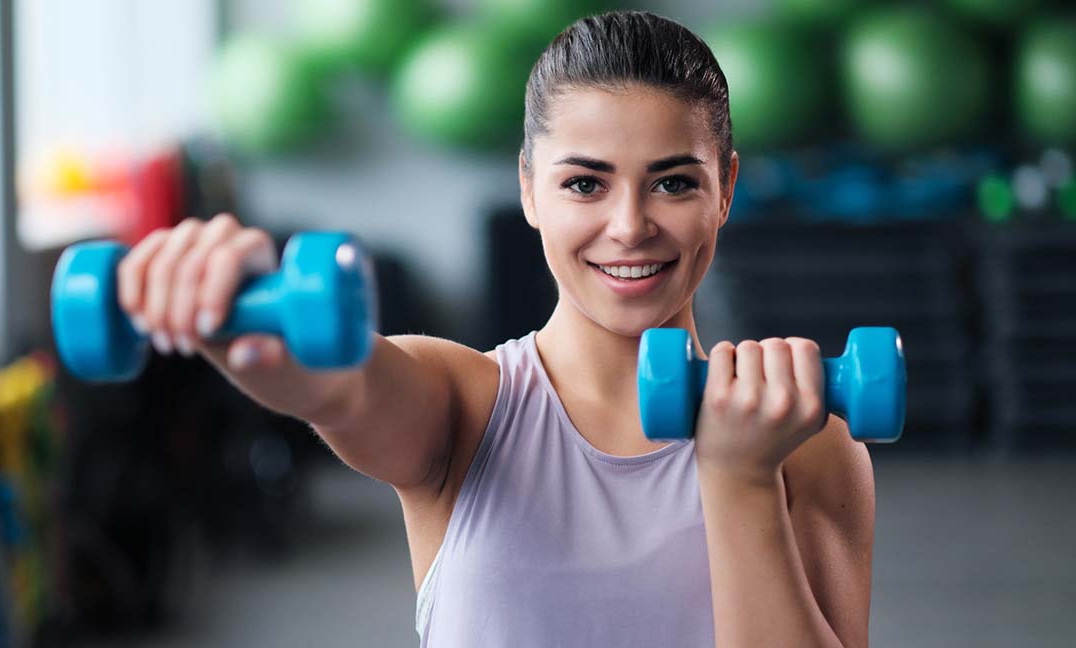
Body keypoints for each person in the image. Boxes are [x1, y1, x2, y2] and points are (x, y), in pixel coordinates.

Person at [115, 10, 873, 647]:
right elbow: (339, 384)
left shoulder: (809, 443)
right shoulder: (464, 406)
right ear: (528, 190)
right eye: (585, 183)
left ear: (726, 190)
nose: (630, 226)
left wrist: (741, 480)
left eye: (673, 182)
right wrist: (236, 325)